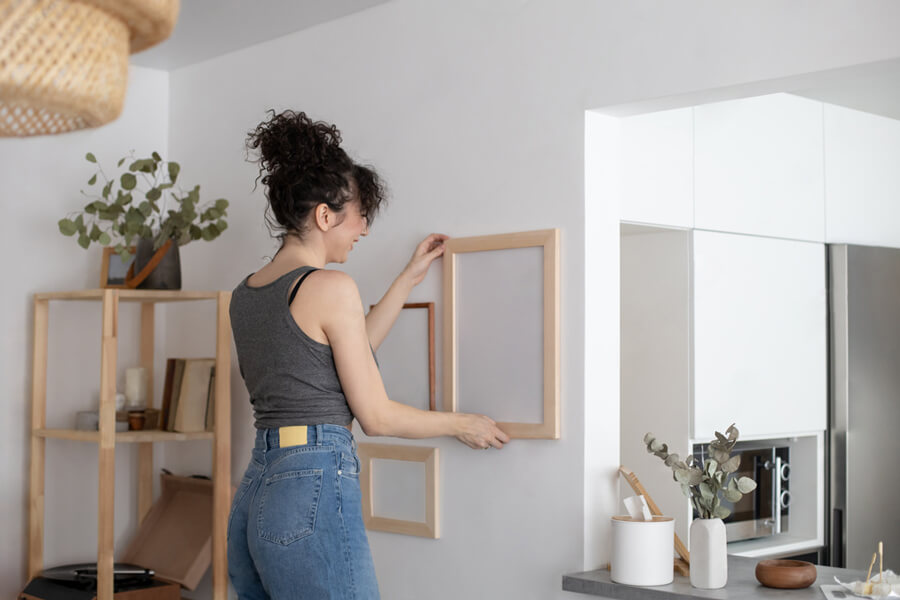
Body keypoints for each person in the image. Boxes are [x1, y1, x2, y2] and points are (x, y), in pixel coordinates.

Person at [226, 110, 510, 600]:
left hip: (260, 485)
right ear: (324, 215)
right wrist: (462, 423)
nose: (364, 229)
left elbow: (334, 360)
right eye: (359, 215)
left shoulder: (247, 292)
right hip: (311, 478)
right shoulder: (330, 287)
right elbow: (375, 416)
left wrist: (407, 279)